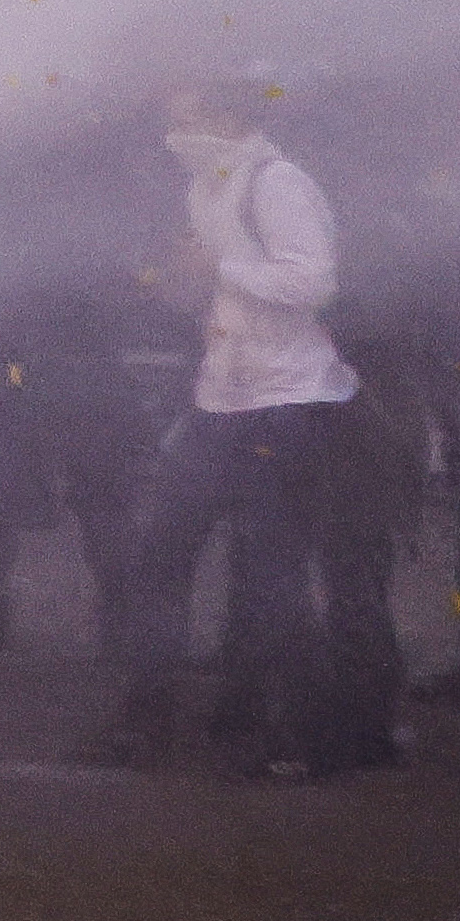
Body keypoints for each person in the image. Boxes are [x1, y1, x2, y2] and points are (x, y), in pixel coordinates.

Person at [102, 86, 387, 779]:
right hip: (220, 396)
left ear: (230, 115)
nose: (175, 126)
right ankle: (149, 719)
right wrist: (180, 285)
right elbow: (223, 289)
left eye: (189, 112)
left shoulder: (277, 183)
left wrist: (218, 269)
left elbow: (314, 282)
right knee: (159, 555)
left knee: (273, 578)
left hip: (287, 403)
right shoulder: (205, 187)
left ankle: (315, 741)